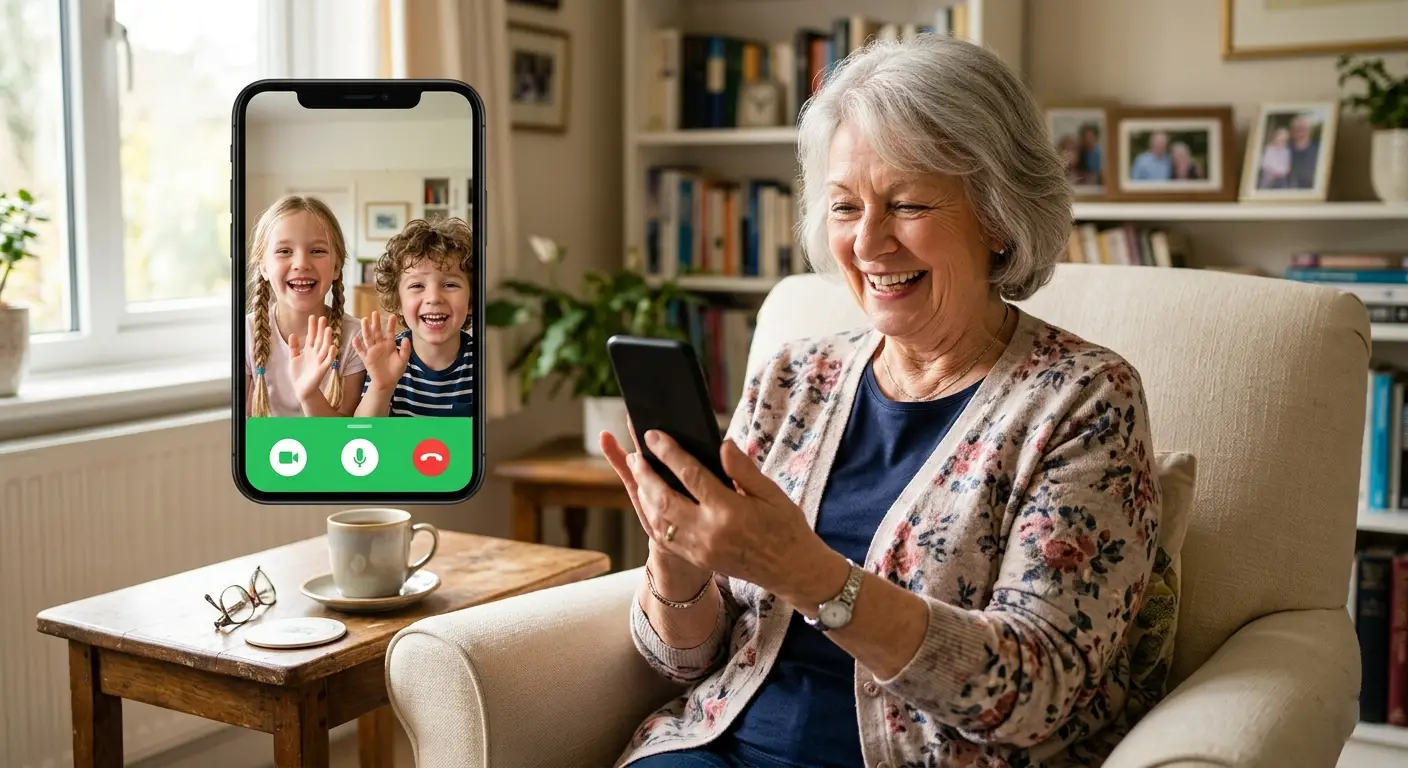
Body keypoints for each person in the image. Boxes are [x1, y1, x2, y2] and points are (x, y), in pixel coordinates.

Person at [603, 34, 1163, 768]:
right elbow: (685, 664)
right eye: (844, 206)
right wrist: (674, 559)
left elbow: (1035, 692)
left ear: (997, 217)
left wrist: (807, 572)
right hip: (715, 749)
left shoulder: (1082, 402)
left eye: (906, 204)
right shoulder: (791, 378)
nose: (868, 243)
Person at [245, 194, 366, 417]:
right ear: (263, 266)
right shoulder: (245, 333)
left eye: (317, 251)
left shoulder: (355, 338)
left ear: (337, 267)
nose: (301, 264)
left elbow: (344, 438)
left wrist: (309, 394)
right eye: (284, 251)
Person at [355, 217, 475, 418]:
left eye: (450, 285)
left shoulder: (484, 363)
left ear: (471, 301)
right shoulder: (386, 357)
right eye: (417, 286)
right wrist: (381, 387)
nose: (434, 298)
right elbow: (364, 436)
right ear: (398, 302)